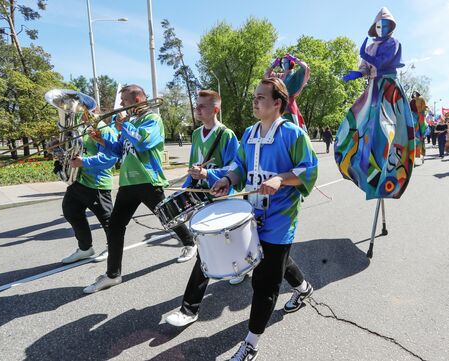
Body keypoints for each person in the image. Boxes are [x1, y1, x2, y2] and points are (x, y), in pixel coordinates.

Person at [165, 78, 318, 361]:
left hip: (281, 218)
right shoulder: (248, 133)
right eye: (255, 96)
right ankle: (303, 288)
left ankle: (251, 343)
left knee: (264, 281)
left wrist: (280, 179)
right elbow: (239, 166)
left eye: (261, 97)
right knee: (274, 260)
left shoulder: (294, 135)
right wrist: (225, 179)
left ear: (277, 103)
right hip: (250, 213)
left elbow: (308, 171)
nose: (255, 101)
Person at [83, 84, 195, 294]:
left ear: (136, 100)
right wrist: (103, 140)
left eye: (124, 101)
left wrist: (124, 125)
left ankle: (189, 242)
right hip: (127, 182)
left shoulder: (153, 119)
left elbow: (143, 143)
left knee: (167, 217)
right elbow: (120, 150)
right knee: (116, 226)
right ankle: (113, 275)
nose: (121, 105)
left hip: (147, 179)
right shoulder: (131, 121)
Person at [336, 7, 415, 200]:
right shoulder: (370, 47)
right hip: (372, 90)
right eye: (380, 25)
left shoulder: (394, 43)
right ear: (375, 27)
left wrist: (368, 57)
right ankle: (363, 170)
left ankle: (388, 170)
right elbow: (365, 66)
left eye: (386, 24)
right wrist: (358, 73)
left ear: (391, 27)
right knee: (355, 124)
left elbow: (383, 61)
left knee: (385, 130)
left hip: (388, 89)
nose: (383, 28)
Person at [177, 90, 240, 274]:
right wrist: (185, 189)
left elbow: (234, 168)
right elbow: (193, 166)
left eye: (202, 106)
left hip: (220, 193)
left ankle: (238, 269)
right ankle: (213, 268)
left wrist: (207, 173)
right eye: (197, 105)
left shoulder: (226, 134)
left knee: (227, 236)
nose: (197, 109)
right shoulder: (196, 134)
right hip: (201, 194)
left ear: (216, 109)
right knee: (207, 238)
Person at [60, 112, 118, 264]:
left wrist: (84, 162)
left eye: (81, 111)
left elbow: (110, 159)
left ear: (92, 112)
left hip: (97, 183)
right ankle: (85, 249)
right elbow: (76, 151)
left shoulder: (104, 130)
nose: (78, 115)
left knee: (107, 220)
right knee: (70, 211)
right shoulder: (82, 130)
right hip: (79, 180)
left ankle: (113, 248)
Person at [265, 53, 310, 131]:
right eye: (282, 63)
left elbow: (305, 68)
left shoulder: (295, 76)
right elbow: (266, 76)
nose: (283, 64)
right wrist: (273, 65)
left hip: (289, 108)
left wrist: (295, 59)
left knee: (291, 130)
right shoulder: (279, 76)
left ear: (290, 63)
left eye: (286, 62)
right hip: (277, 108)